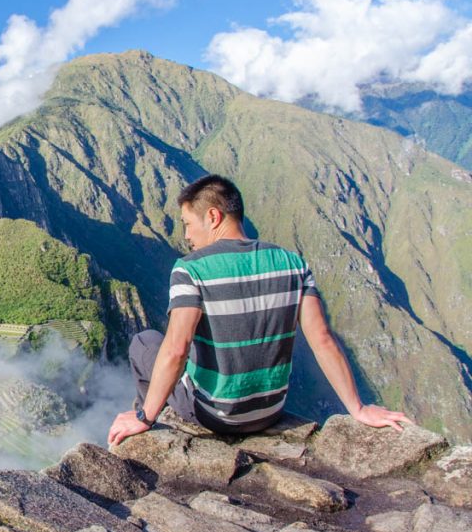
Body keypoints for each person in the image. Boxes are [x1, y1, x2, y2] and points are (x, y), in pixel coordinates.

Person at [108, 174, 411, 445]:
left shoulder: (190, 269)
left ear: (212, 216)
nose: (186, 236)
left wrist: (144, 416)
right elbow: (322, 340)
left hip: (214, 415)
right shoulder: (293, 263)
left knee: (145, 342)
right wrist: (357, 408)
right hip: (270, 412)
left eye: (188, 224)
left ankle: (144, 419)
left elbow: (177, 349)